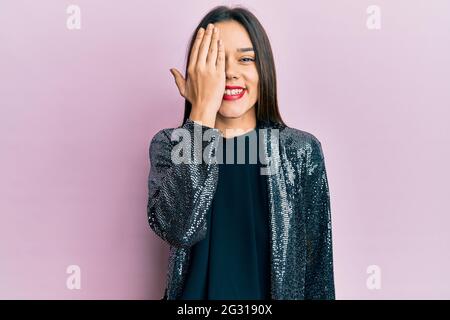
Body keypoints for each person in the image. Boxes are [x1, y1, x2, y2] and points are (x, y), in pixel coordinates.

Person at [147, 5, 335, 300]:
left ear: (264, 70)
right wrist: (202, 115)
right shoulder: (171, 145)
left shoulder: (300, 151)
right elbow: (179, 230)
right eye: (215, 62)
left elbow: (317, 273)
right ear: (197, 73)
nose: (231, 73)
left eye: (245, 59)